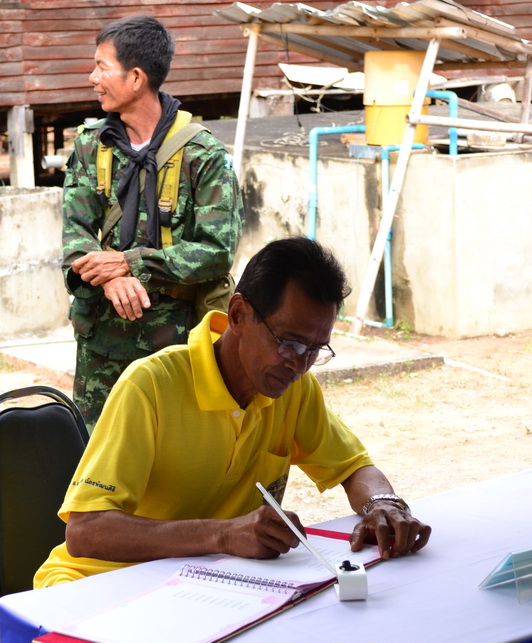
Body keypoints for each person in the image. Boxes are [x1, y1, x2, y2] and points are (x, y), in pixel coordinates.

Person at [35, 237, 431, 587]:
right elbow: (86, 531)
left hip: (210, 586)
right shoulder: (152, 385)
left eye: (315, 350)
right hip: (99, 584)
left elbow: (353, 467)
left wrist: (383, 503)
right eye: (289, 343)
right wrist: (222, 534)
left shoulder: (293, 389)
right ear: (239, 314)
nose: (299, 364)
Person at [62, 14, 243, 431]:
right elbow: (75, 235)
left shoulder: (203, 155)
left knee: (176, 452)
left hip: (178, 345)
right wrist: (109, 279)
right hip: (102, 346)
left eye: (101, 67)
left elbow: (217, 251)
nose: (92, 78)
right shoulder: (91, 146)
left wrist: (130, 264)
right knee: (98, 454)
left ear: (136, 77)